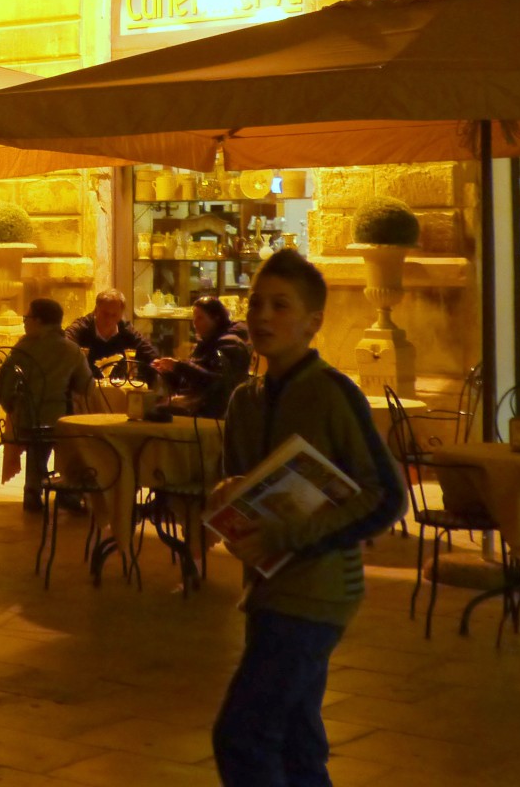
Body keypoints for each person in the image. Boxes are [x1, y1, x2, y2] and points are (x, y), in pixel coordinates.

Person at [210, 250, 405, 787]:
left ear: (312, 322)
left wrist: (290, 535)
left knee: (243, 735)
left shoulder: (332, 393)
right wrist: (226, 500)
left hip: (319, 591)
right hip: (265, 589)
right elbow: (238, 485)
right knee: (296, 740)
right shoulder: (245, 401)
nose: (262, 316)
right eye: (256, 303)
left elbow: (385, 496)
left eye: (280, 305)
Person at [0, 297, 91, 511]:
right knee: (78, 438)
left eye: (26, 318)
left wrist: (11, 406)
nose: (24, 322)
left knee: (39, 440)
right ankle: (69, 491)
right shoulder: (72, 350)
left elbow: (3, 381)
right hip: (62, 421)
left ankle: (33, 490)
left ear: (38, 321)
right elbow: (85, 385)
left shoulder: (24, 348)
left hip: (26, 419)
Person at [160, 297, 252, 417]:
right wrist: (169, 370)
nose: (194, 323)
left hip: (214, 412)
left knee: (158, 411)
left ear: (216, 319)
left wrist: (179, 367)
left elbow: (216, 383)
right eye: (194, 318)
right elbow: (193, 378)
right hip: (199, 404)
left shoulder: (230, 344)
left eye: (200, 318)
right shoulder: (207, 341)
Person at [66, 287, 158, 383]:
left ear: (121, 314)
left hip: (119, 388)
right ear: (96, 310)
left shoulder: (126, 330)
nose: (109, 320)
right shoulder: (82, 327)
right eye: (105, 314)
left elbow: (150, 354)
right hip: (86, 388)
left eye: (114, 315)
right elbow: (65, 343)